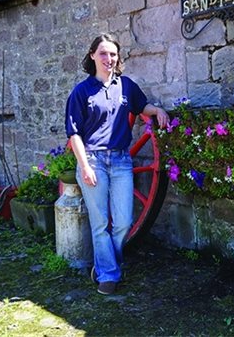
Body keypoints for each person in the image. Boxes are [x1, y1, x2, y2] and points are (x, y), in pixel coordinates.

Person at [65, 34, 169, 295]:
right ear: (92, 56)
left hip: (121, 160)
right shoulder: (81, 92)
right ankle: (108, 275)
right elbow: (74, 133)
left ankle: (103, 264)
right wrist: (85, 166)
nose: (108, 59)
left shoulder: (127, 86)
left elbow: (142, 106)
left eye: (113, 54)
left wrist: (157, 111)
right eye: (103, 53)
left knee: (123, 221)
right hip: (93, 160)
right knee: (100, 222)